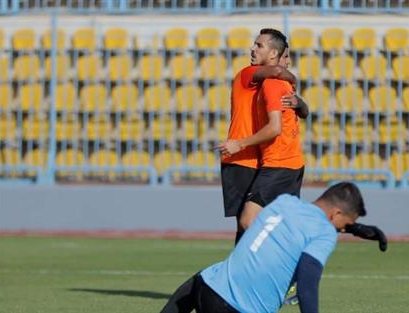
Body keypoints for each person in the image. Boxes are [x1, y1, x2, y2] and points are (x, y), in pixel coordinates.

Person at [159, 182, 388, 313]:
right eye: (344, 224)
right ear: (336, 214)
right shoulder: (324, 232)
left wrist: (354, 228)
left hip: (206, 286)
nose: (341, 230)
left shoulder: (285, 203)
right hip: (238, 308)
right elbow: (307, 285)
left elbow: (309, 221)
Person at [220, 28, 309, 244]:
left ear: (272, 53)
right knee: (246, 228)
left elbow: (300, 112)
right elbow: (277, 72)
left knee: (249, 225)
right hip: (243, 160)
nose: (252, 48)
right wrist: (292, 78)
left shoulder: (272, 84)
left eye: (258, 45)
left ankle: (271, 266)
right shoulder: (248, 74)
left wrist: (299, 102)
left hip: (256, 158)